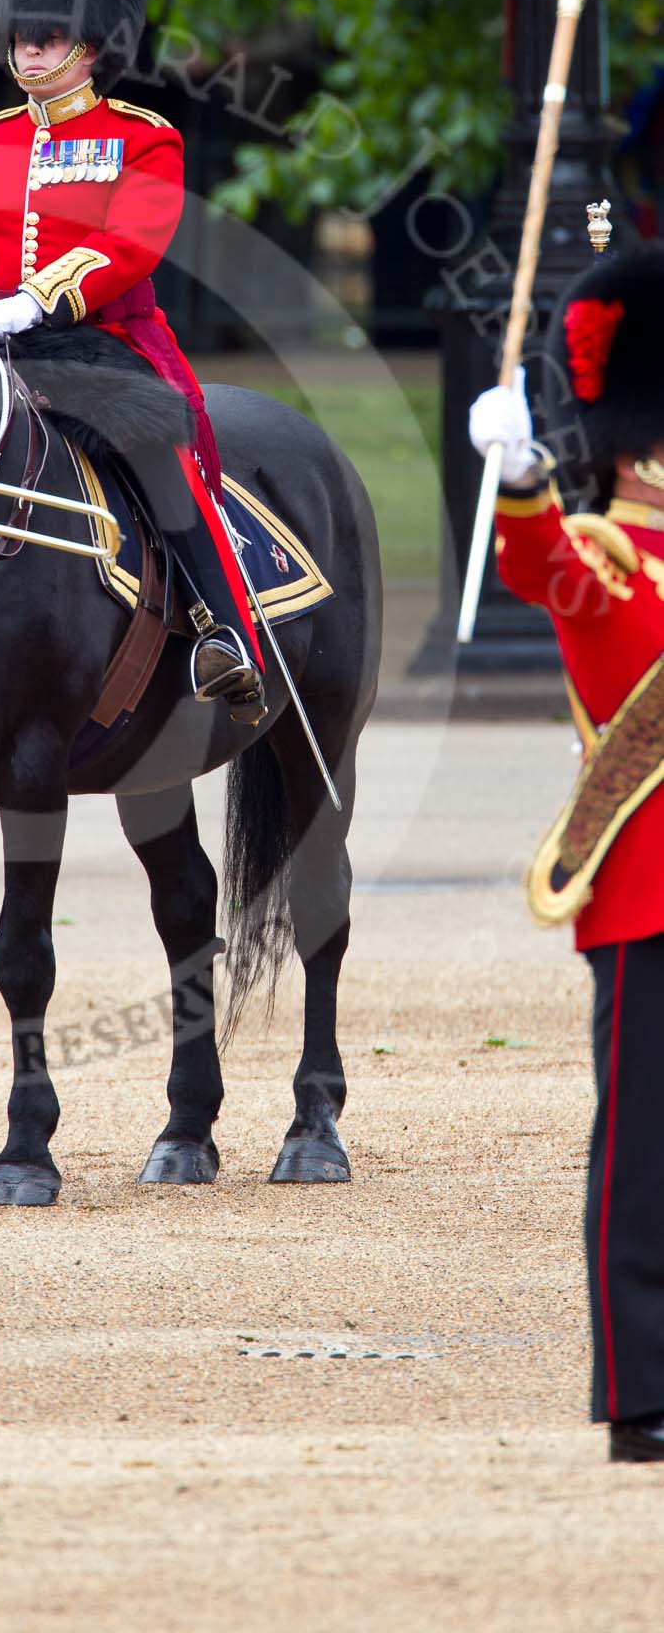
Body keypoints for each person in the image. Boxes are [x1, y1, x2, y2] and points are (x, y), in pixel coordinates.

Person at [0, 0, 266, 715]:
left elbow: (131, 245)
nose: (30, 47)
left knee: (156, 449)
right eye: (21, 32)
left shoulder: (142, 138)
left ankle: (219, 627)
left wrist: (40, 299)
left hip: (101, 337)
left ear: (90, 42)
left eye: (47, 34)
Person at [470, 236, 664, 1465]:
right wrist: (528, 478)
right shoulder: (604, 553)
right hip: (649, 893)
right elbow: (538, 569)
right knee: (645, 1157)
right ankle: (643, 1385)